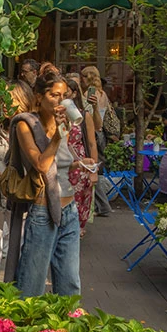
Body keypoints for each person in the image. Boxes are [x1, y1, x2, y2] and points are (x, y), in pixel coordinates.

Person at [13, 71, 89, 297]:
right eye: (55, 95)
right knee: (32, 284)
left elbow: (59, 166)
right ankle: (27, 330)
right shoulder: (26, 125)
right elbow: (41, 165)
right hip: (43, 210)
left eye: (64, 95)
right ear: (38, 96)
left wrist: (79, 164)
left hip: (69, 209)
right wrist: (57, 134)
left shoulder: (65, 124)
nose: (61, 101)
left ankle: (65, 331)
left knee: (70, 284)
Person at [0, 81, 33, 292]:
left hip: (21, 197)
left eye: (9, 101)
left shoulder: (30, 126)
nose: (4, 105)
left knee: (20, 247)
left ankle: (17, 295)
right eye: (2, 100)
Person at [81, 66, 118, 218]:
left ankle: (102, 205)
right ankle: (101, 205)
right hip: (101, 134)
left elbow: (88, 114)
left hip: (94, 132)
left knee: (92, 168)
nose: (81, 79)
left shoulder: (89, 95)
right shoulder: (102, 94)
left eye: (83, 76)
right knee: (97, 169)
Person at [64, 78, 99, 235]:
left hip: (81, 164)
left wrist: (93, 171)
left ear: (74, 93)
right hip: (62, 163)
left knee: (80, 199)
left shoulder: (83, 116)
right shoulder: (56, 115)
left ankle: (76, 229)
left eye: (66, 92)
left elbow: (92, 144)